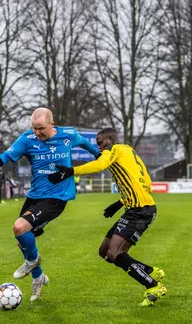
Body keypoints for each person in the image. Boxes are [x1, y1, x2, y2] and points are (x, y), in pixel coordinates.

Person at [0, 107, 99, 302]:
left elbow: (86, 145)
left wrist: (101, 156)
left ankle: (32, 262)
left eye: (40, 128)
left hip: (57, 197)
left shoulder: (68, 135)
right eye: (34, 128)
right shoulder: (27, 139)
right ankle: (38, 277)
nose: (37, 132)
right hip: (35, 195)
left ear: (52, 125)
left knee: (19, 227)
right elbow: (9, 154)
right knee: (21, 238)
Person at [48, 127, 167, 307]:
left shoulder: (115, 150)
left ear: (111, 139)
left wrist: (70, 171)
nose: (100, 148)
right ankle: (151, 270)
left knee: (116, 253)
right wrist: (119, 203)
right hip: (135, 209)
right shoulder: (128, 150)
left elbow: (99, 165)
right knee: (105, 252)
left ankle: (153, 286)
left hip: (141, 211)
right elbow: (146, 183)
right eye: (98, 145)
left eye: (101, 143)